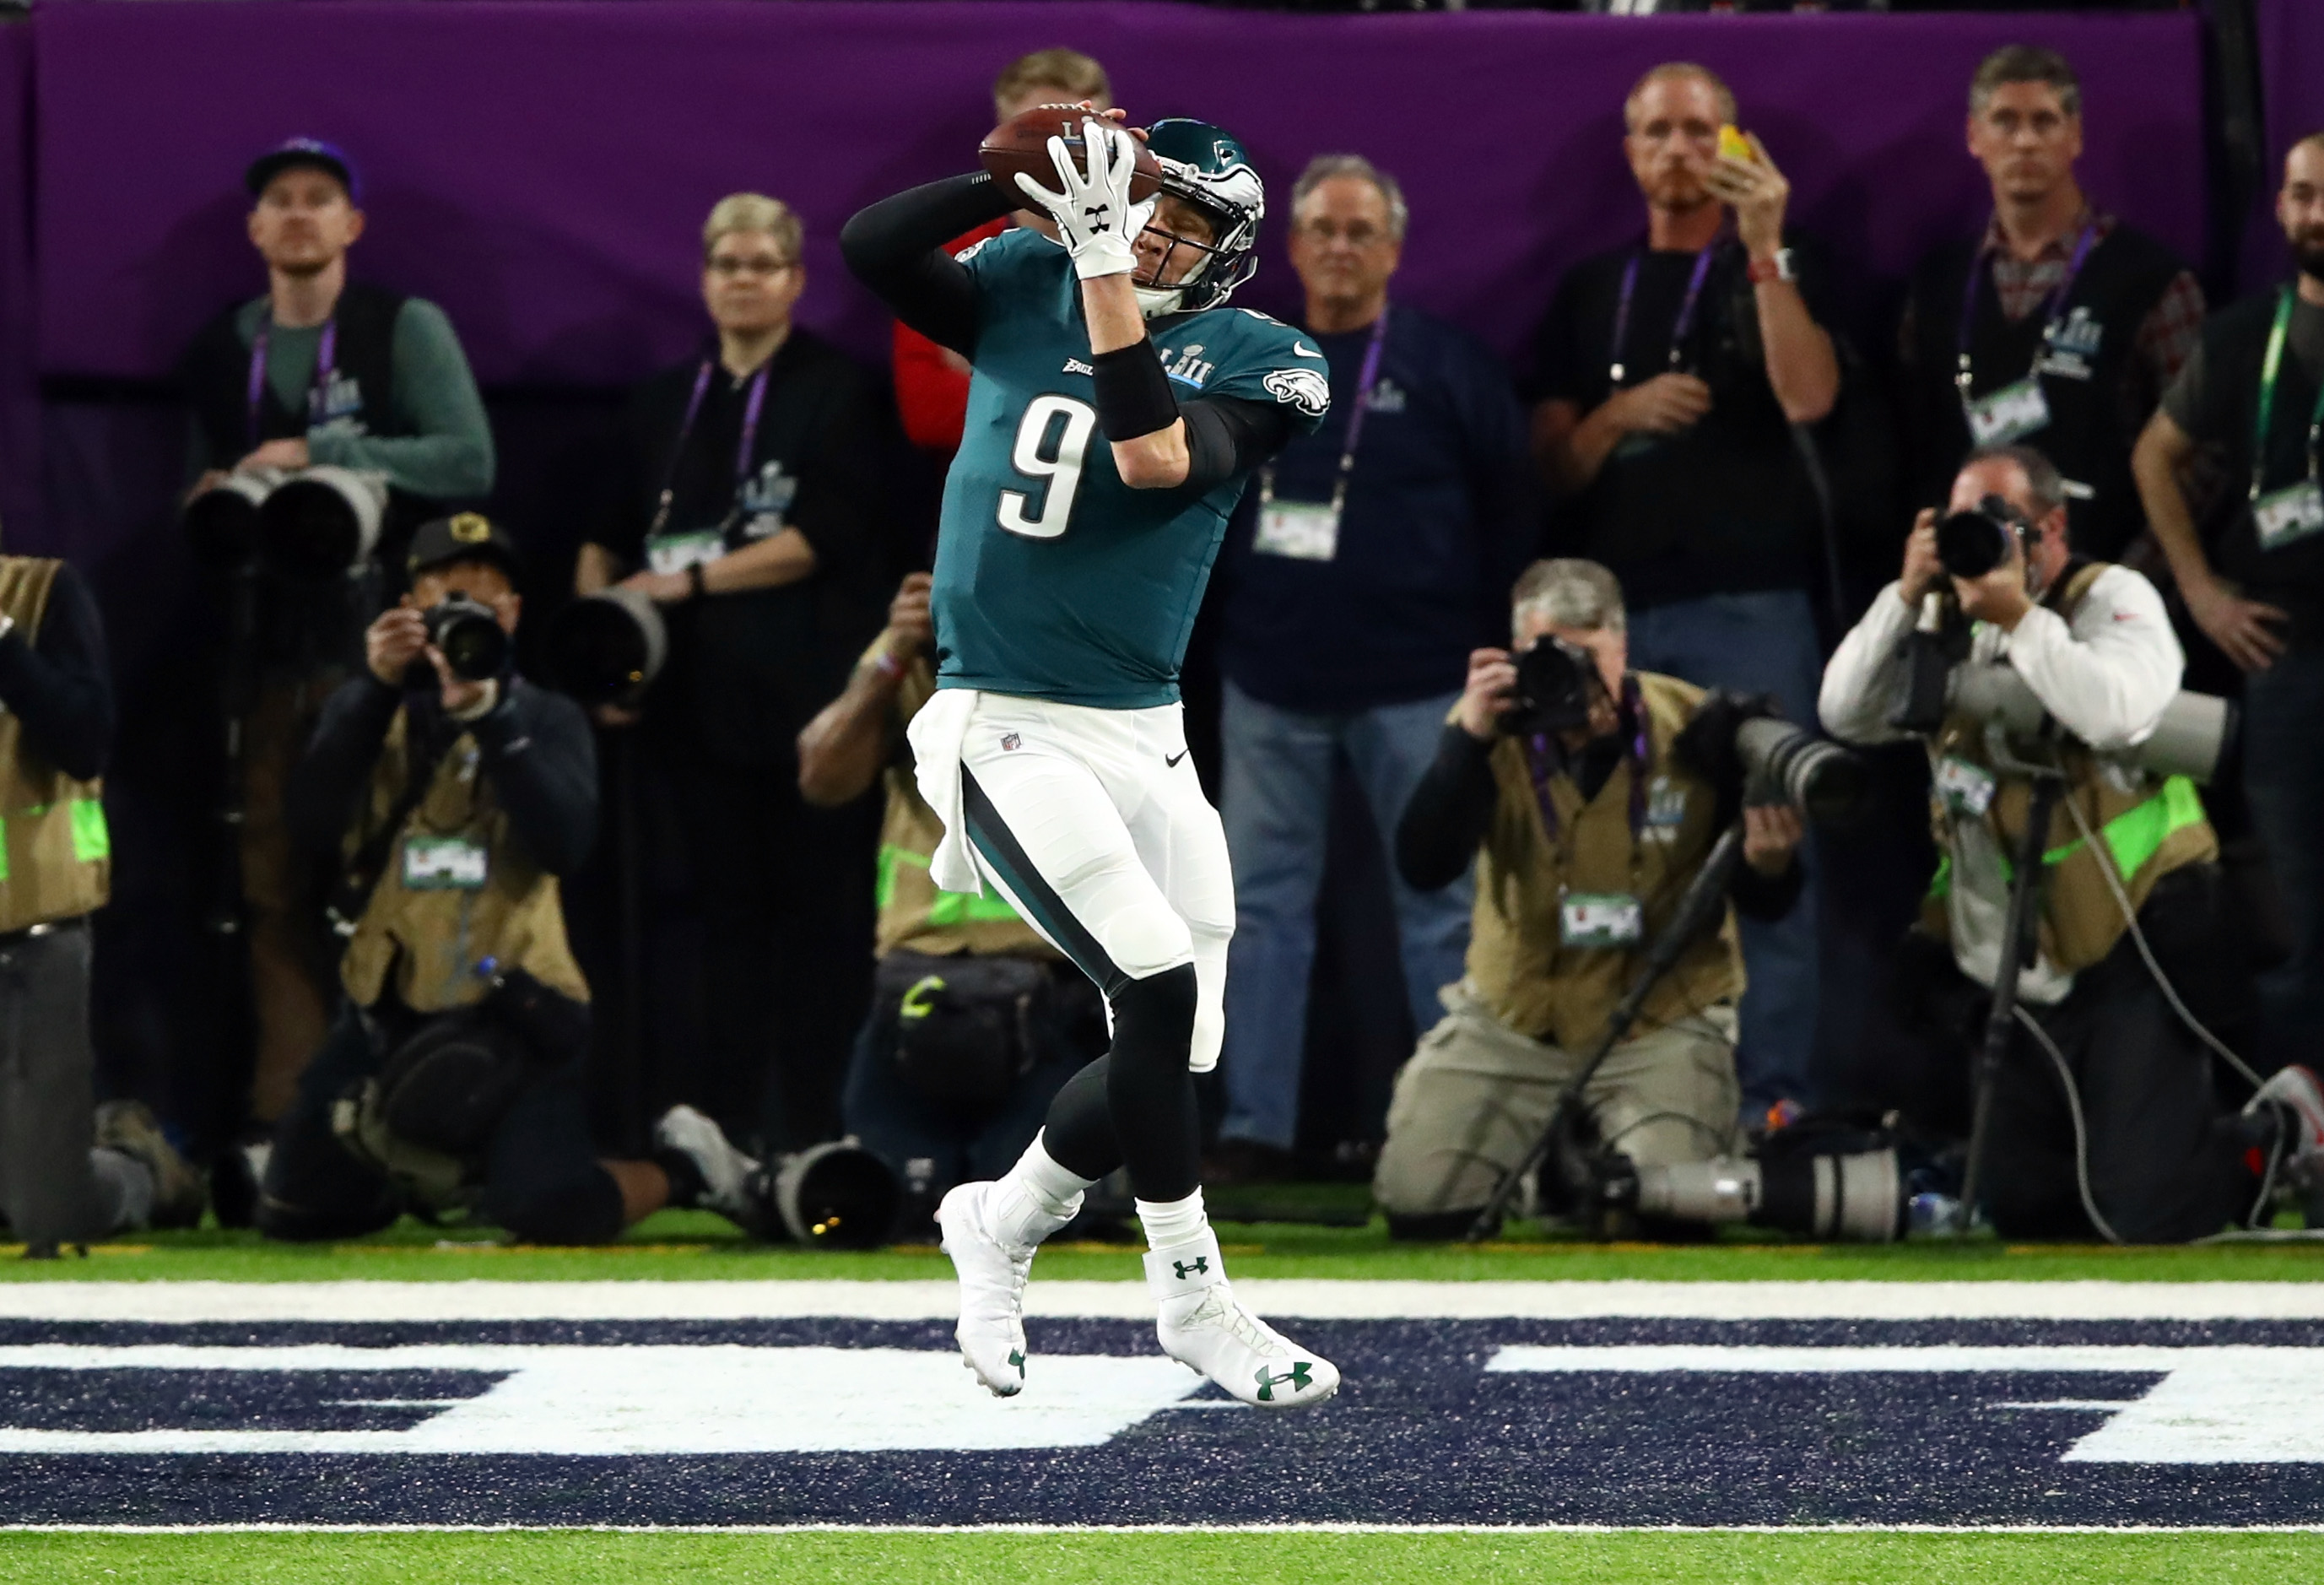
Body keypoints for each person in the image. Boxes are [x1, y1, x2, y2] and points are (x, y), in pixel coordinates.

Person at [843, 108, 1342, 1405]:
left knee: (1171, 1050)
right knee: (1155, 980)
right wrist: (1009, 177)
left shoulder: (1269, 355)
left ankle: (1001, 1221)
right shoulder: (1028, 282)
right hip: (1001, 715)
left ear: (1231, 246)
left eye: (1188, 217)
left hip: (1144, 731)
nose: (1158, 230)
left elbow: (1153, 452)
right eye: (1146, 202)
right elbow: (872, 244)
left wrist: (1110, 265)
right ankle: (1190, 1292)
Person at [1819, 446, 2323, 1241]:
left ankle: (2277, 1134)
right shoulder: (1941, 616)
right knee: (2028, 1208)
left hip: (2128, 939)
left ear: (2050, 527)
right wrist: (1904, 594)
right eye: (1959, 525)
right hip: (2013, 956)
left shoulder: (2111, 598)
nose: (1973, 544)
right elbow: (1846, 711)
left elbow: (2121, 711)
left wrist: (2021, 617)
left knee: (2145, 1213)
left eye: (1993, 523)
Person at [257, 516, 770, 1245]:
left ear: (516, 616)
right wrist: (374, 688)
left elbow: (566, 844)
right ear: (408, 612)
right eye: (448, 605)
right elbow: (311, 829)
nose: (467, 624)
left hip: (513, 1012)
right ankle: (418, 1173)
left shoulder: (547, 716)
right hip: (387, 1003)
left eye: (488, 608)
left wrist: (494, 722)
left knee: (552, 1213)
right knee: (295, 1214)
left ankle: (688, 1165)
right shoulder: (371, 711)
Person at [1210, 154, 1536, 1178]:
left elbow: (1512, 507)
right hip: (1269, 680)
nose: (1341, 248)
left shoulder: (1446, 367)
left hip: (1420, 683)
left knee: (1443, 909)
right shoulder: (1241, 357)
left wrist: (1494, 654)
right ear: (1293, 246)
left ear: (1392, 248)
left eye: (1361, 231)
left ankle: (1455, 1133)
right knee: (1256, 915)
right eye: (1322, 230)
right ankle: (1254, 1130)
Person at [1526, 61, 1835, 1124]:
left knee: (1771, 844)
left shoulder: (1778, 265)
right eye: (1656, 131)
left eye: (1701, 131)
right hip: (1625, 629)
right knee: (1616, 862)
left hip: (1753, 612)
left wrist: (1765, 252)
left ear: (1736, 144)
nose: (1678, 151)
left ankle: (1775, 1106)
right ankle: (1632, 1107)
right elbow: (1550, 470)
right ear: (1629, 151)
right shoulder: (1589, 289)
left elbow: (1810, 399)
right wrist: (1619, 420)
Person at [176, 138, 494, 1137]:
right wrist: (227, 492)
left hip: (391, 648)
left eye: (321, 199)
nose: (301, 215)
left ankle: (415, 1117)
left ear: (352, 224)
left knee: (395, 880)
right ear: (256, 229)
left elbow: (467, 462)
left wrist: (322, 453)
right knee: (273, 893)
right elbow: (200, 503)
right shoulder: (224, 346)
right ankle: (291, 1125)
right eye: (281, 200)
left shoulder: (400, 327)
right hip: (266, 652)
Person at [577, 192, 887, 1156]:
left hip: (806, 711)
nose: (743, 279)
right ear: (704, 280)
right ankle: (727, 1129)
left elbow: (822, 538)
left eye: (762, 264)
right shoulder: (666, 400)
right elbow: (604, 535)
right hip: (688, 713)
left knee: (817, 924)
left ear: (795, 280)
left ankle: (818, 1123)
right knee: (718, 926)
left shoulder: (839, 390)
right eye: (726, 264)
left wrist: (687, 582)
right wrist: (601, 645)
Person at [1372, 559, 1804, 1236]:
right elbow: (1423, 866)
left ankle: (1603, 1151)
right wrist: (1466, 745)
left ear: (1622, 647)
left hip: (1657, 1020)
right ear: (1517, 655)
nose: (1571, 677)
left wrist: (1770, 863)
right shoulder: (1489, 732)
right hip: (1517, 1017)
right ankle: (1550, 1162)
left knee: (1669, 1211)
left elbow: (1770, 906)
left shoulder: (1697, 728)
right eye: (1552, 655)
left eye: (1588, 657)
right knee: (1422, 1203)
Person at [798, 572, 1108, 1236]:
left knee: (1032, 1217)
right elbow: (822, 777)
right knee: (884, 1206)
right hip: (920, 985)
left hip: (1046, 986)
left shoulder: (1083, 640)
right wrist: (892, 659)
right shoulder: (915, 651)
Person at [2132, 133, 2324, 1072]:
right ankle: (2302, 1129)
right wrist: (2201, 593)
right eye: (2302, 195)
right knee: (2294, 904)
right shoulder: (2246, 334)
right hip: (2283, 657)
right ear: (2281, 210)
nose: (2317, 213)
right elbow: (2153, 456)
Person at [1897, 46, 2202, 565]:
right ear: (1974, 137)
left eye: (2045, 121)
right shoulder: (1936, 283)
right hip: (1971, 578)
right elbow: (1911, 444)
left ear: (2075, 137)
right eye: (2005, 122)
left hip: (2104, 579)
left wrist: (2133, 577)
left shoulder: (2153, 280)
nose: (2025, 141)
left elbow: (2200, 456)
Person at [0, 549, 203, 1252]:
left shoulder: (41, 593)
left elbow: (86, 742)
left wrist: (2, 644)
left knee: (47, 1217)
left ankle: (144, 1170)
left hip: (28, 936)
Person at [893, 49, 1115, 461]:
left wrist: (989, 371)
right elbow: (928, 413)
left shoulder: (1151, 249)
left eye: (1079, 132)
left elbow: (1166, 411)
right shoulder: (949, 251)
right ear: (1004, 139)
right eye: (1040, 132)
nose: (1062, 151)